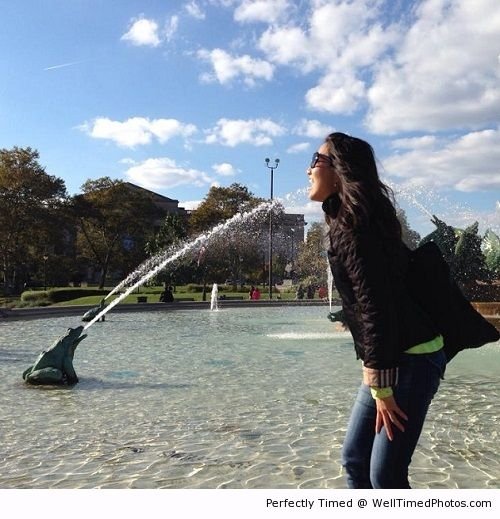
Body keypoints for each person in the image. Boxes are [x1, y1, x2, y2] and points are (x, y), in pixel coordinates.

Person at [307, 132, 445, 489]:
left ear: (339, 170)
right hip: (393, 358)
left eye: (315, 161)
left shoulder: (355, 225)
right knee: (355, 461)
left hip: (410, 359)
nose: (308, 170)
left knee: (385, 476)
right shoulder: (347, 218)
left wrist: (382, 387)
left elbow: (375, 305)